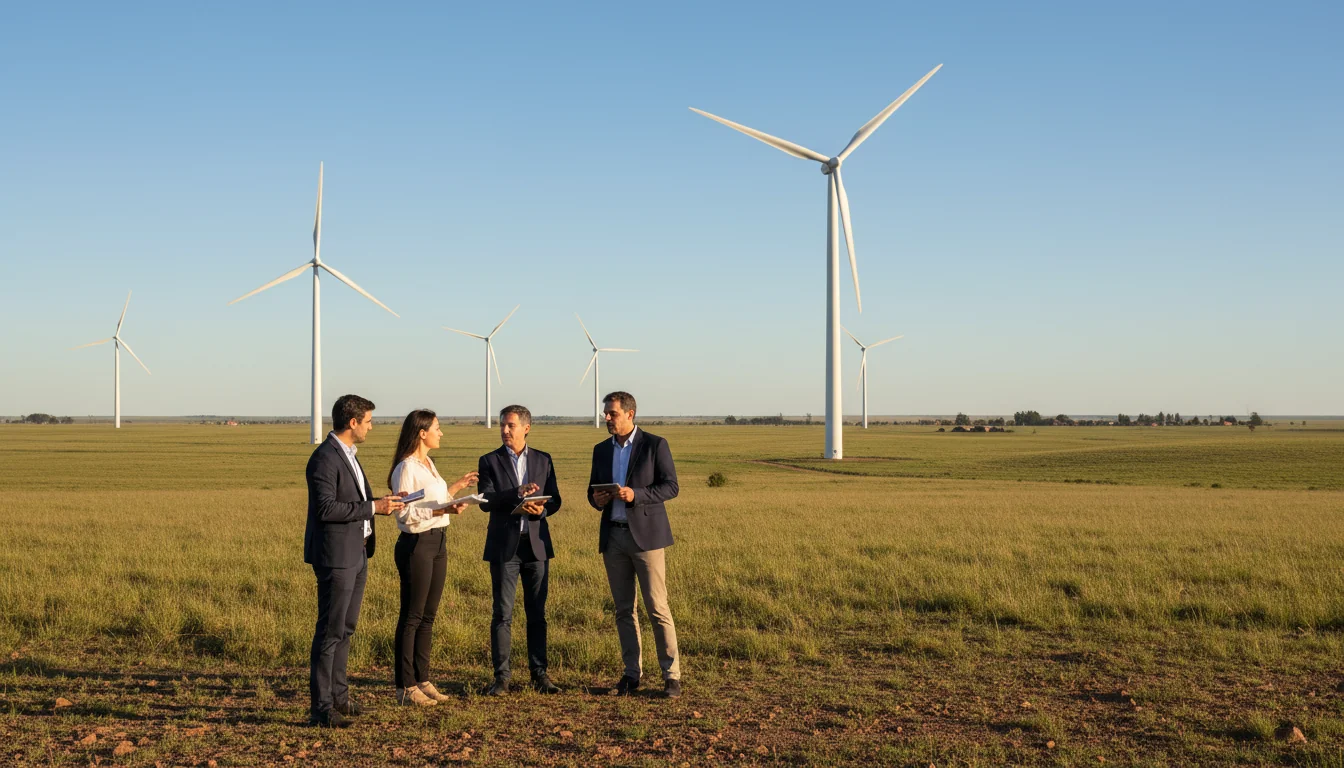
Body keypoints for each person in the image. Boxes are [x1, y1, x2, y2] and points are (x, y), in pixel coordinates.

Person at [304, 394, 405, 728]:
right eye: (369, 421)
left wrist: (382, 501)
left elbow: (355, 500)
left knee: (345, 630)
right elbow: (327, 509)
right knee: (330, 632)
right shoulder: (324, 459)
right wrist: (374, 508)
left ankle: (340, 699)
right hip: (336, 557)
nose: (371, 427)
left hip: (357, 553)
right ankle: (321, 708)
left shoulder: (346, 455)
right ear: (353, 422)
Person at [586, 391, 682, 698]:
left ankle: (671, 675)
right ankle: (631, 673)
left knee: (657, 607)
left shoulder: (655, 444)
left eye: (612, 413)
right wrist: (597, 499)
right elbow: (592, 491)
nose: (607, 418)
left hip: (647, 538)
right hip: (613, 536)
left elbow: (670, 486)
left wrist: (636, 495)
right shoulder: (601, 450)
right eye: (606, 413)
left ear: (630, 414)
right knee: (624, 610)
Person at [387, 409, 478, 706]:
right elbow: (406, 513)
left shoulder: (428, 464)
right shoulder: (406, 468)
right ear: (422, 432)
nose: (442, 433)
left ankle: (422, 680)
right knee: (412, 617)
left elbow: (430, 500)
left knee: (428, 616)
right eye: (437, 428)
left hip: (438, 541)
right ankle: (405, 686)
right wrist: (444, 510)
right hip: (417, 545)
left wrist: (457, 489)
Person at [476, 404, 562, 695]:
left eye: (510, 425)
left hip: (536, 546)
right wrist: (517, 493)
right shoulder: (489, 460)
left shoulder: (543, 459)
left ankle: (540, 675)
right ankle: (502, 678)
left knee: (537, 613)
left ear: (526, 427)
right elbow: (486, 501)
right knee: (502, 614)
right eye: (502, 424)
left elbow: (556, 501)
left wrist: (540, 509)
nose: (504, 430)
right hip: (504, 548)